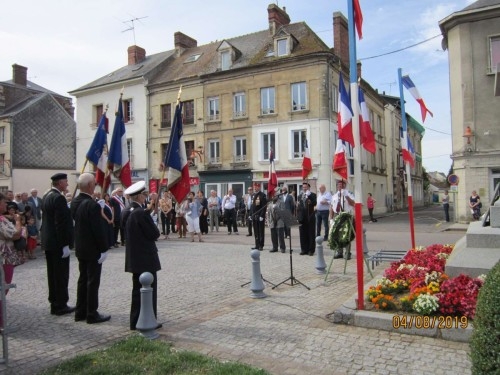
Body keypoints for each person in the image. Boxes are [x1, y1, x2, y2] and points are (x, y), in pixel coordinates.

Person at [70, 173, 111, 324]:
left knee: (83, 280)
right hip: (92, 248)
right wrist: (104, 248)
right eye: (94, 183)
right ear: (89, 186)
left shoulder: (75, 202)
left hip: (81, 246)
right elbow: (97, 229)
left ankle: (80, 311)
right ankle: (91, 313)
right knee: (92, 281)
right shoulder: (91, 204)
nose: (95, 185)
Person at [123, 181, 162, 331]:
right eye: (144, 194)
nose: (145, 197)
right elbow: (154, 233)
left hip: (135, 257)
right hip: (145, 257)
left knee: (137, 291)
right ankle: (149, 319)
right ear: (139, 196)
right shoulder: (140, 213)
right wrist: (152, 221)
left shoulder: (128, 210)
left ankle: (135, 320)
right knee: (148, 291)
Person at [41, 173, 75, 316]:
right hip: (57, 243)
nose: (67, 184)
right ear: (60, 183)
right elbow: (60, 223)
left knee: (52, 274)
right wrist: (65, 244)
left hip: (49, 242)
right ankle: (61, 304)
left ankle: (54, 301)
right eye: (66, 182)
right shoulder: (58, 198)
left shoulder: (47, 196)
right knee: (61, 275)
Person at [0, 192, 23, 328]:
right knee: (4, 287)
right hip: (4, 257)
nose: (6, 205)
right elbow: (14, 234)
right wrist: (19, 222)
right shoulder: (1, 220)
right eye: (4, 202)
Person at [329, 180, 355, 259]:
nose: (340, 187)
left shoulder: (349, 193)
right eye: (339, 185)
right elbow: (331, 207)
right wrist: (330, 219)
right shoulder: (334, 196)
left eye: (342, 185)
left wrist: (346, 196)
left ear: (345, 186)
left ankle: (347, 253)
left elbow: (352, 203)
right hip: (337, 215)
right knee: (337, 234)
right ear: (337, 186)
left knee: (346, 234)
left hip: (346, 215)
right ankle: (339, 252)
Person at [297, 182, 317, 256]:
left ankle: (311, 250)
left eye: (305, 187)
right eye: (303, 187)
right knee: (302, 234)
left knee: (311, 234)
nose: (304, 188)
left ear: (308, 188)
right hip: (302, 218)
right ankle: (303, 249)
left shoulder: (312, 195)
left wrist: (309, 197)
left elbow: (314, 203)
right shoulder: (300, 196)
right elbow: (298, 207)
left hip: (310, 217)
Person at [251, 183, 267, 250]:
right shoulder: (253, 195)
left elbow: (264, 206)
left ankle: (261, 245)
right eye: (254, 187)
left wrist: (262, 216)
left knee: (261, 231)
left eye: (256, 187)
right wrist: (250, 214)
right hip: (254, 216)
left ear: (259, 187)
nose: (255, 188)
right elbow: (252, 206)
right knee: (256, 231)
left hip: (260, 216)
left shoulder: (262, 195)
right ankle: (256, 244)